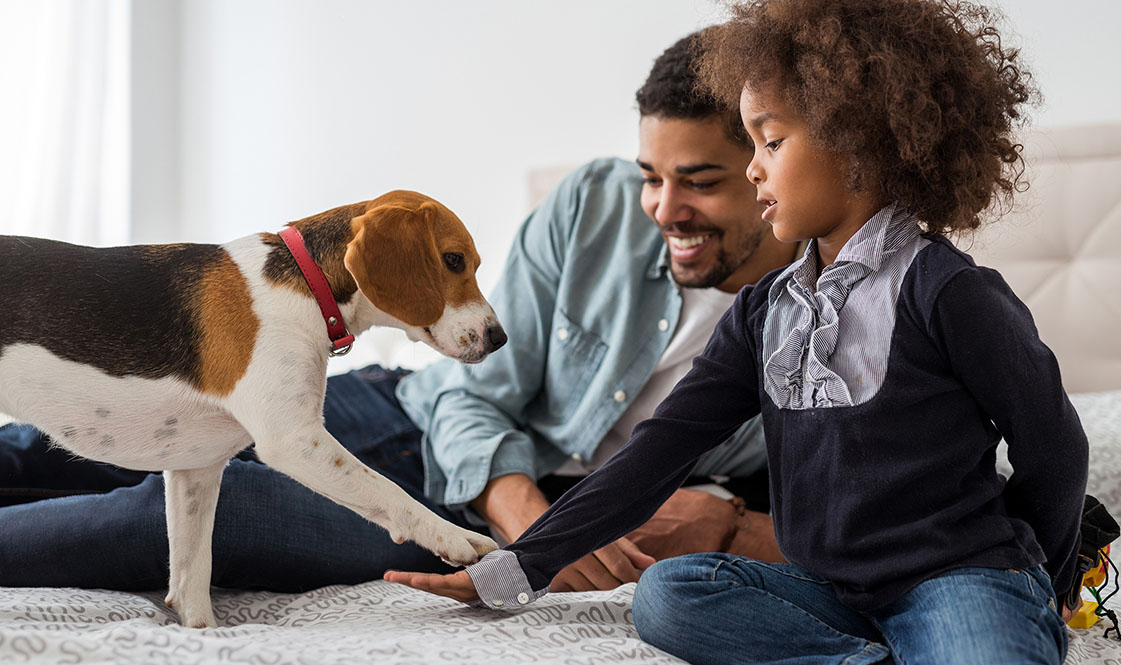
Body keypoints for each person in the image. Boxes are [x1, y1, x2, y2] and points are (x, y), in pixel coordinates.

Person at [386, 1, 1088, 664]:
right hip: (830, 593)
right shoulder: (763, 312)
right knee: (669, 594)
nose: (753, 167)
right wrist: (518, 567)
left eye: (771, 140)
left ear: (860, 145)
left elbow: (1054, 446)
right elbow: (655, 454)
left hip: (955, 577)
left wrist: (1040, 580)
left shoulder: (950, 291)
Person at [0, 32, 795, 593]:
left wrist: (722, 523)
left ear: (765, 164)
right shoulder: (595, 203)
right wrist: (518, 509)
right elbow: (476, 390)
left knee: (186, 513)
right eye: (651, 174)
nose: (663, 207)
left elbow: (849, 511)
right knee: (46, 440)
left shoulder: (815, 320)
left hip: (456, 498)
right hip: (415, 414)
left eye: (701, 181)